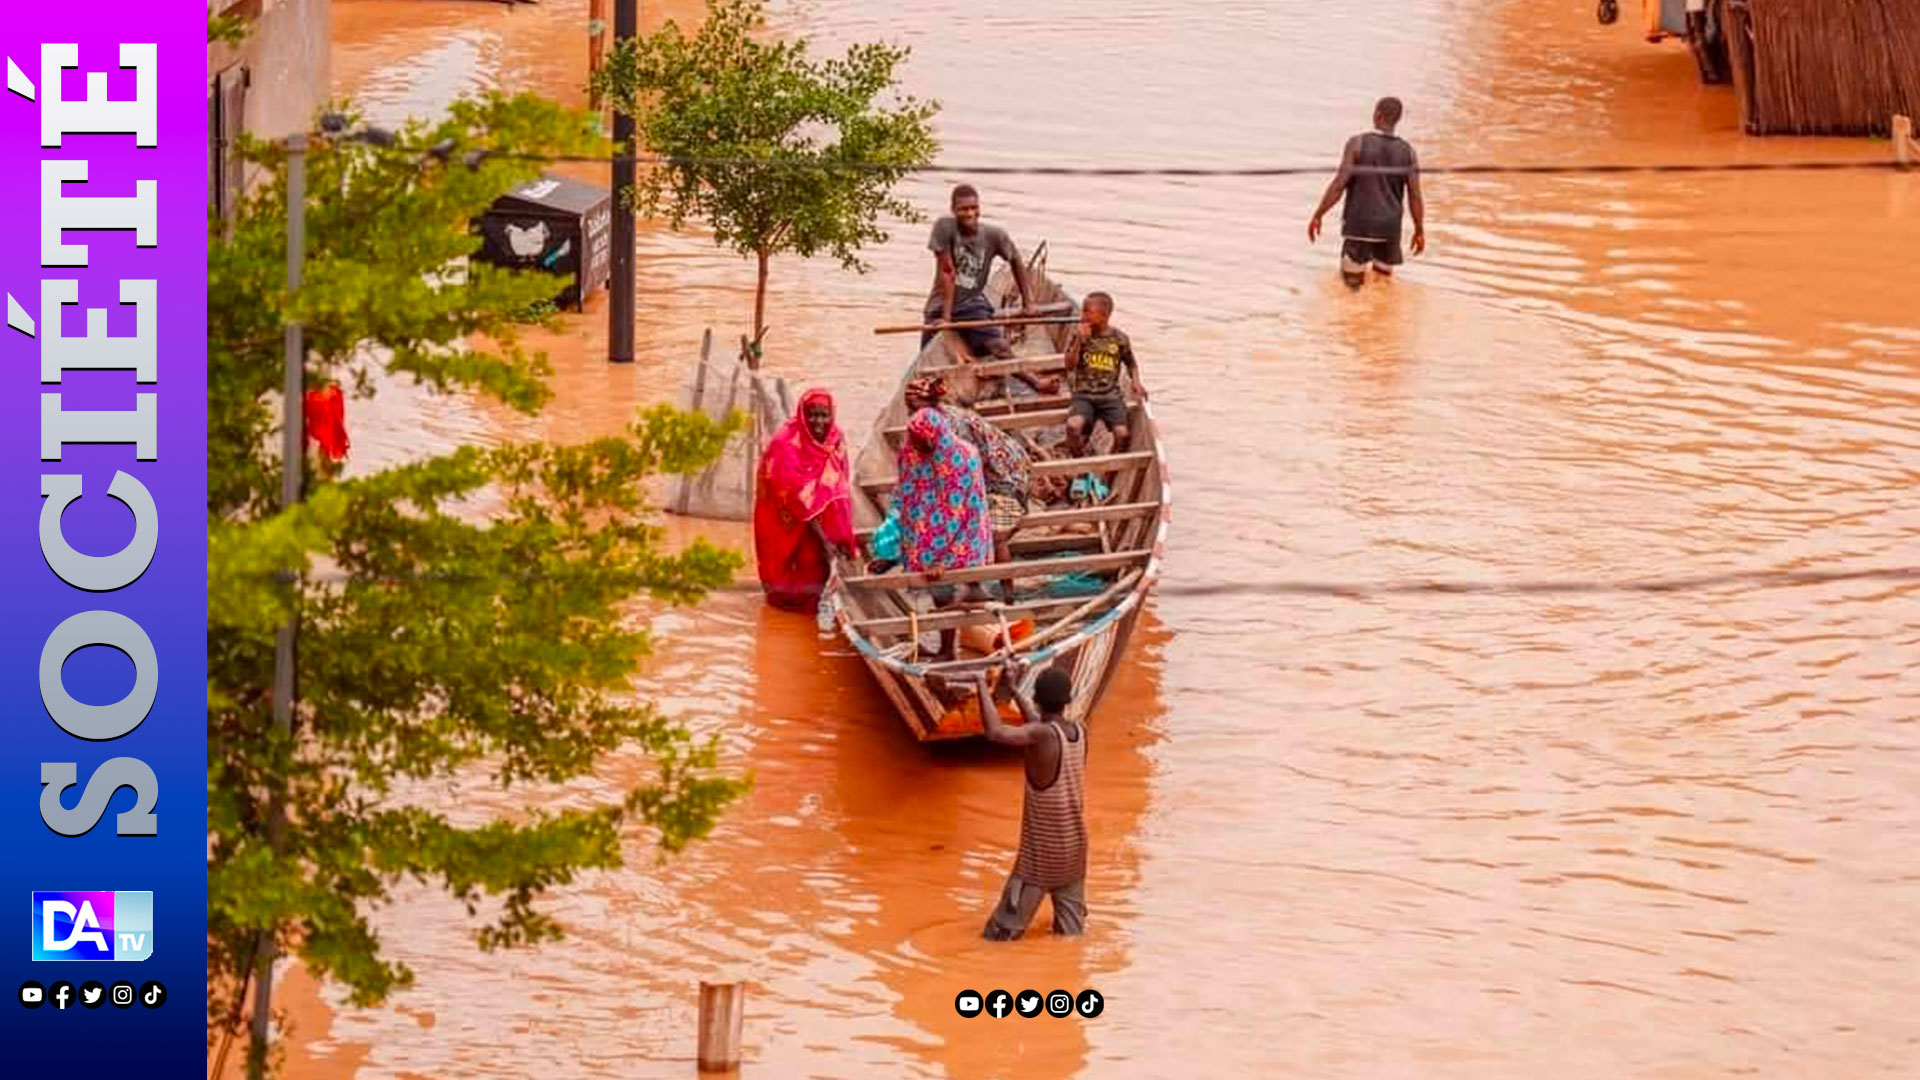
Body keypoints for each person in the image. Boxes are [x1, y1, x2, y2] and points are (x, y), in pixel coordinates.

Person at [973, 660, 1087, 940]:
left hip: (1040, 858)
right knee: (1070, 938)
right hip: (1075, 853)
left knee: (997, 939)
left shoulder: (1041, 735)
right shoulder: (1080, 732)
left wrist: (980, 684)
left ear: (1037, 699)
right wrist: (1013, 690)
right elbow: (1041, 725)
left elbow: (995, 732)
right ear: (1067, 700)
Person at [905, 375, 1032, 602]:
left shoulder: (952, 432)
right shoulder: (925, 427)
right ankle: (965, 588)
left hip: (1003, 481)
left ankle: (1005, 596)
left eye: (915, 409)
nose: (913, 415)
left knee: (991, 534)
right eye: (910, 410)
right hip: (976, 478)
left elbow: (965, 491)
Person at [894, 407, 996, 660]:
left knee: (942, 586)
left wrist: (942, 559)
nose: (913, 446)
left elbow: (962, 514)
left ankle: (948, 648)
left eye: (919, 442)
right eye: (912, 441)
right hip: (927, 525)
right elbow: (906, 496)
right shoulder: (910, 453)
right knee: (936, 583)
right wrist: (900, 543)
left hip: (964, 529)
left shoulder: (963, 458)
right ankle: (951, 636)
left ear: (932, 440)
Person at [1308, 97, 1426, 289]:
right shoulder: (1409, 152)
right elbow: (1415, 195)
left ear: (1377, 115)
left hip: (1359, 226)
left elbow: (1338, 185)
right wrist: (1419, 229)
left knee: (1351, 288)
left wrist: (1318, 214)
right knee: (1382, 288)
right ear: (1397, 120)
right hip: (1390, 230)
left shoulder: (1357, 143)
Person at [753, 389, 856, 611]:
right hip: (785, 517)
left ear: (832, 416)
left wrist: (839, 535)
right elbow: (796, 498)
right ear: (802, 415)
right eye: (812, 415)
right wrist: (825, 540)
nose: (818, 422)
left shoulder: (835, 439)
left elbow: (839, 488)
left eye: (824, 415)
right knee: (784, 577)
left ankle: (812, 608)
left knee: (815, 569)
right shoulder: (785, 443)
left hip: (819, 518)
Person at [1061, 292, 1144, 460]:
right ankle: (1082, 467)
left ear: (1104, 315)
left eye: (1087, 312)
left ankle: (1108, 472)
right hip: (1084, 395)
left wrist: (1136, 382)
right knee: (1072, 427)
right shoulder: (1079, 335)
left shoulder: (1119, 339)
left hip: (1110, 397)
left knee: (1122, 435)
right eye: (1082, 311)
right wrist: (1079, 341)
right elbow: (1069, 366)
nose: (1082, 316)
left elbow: (1131, 364)